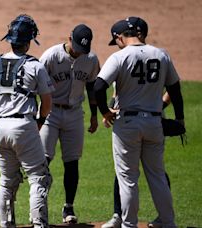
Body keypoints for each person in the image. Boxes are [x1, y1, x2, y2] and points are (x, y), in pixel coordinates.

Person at [94, 18, 184, 227]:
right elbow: (175, 90)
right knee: (157, 176)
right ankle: (169, 223)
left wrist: (106, 112)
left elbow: (99, 86)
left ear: (119, 37)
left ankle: (128, 224)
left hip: (128, 125)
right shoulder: (161, 54)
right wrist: (180, 119)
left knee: (127, 179)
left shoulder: (119, 57)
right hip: (154, 123)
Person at [0, 14, 54, 228]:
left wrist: (1, 114)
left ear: (9, 40)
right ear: (29, 42)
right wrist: (40, 120)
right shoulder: (35, 66)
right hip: (25, 127)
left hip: (1, 128)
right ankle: (39, 225)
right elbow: (47, 102)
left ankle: (6, 224)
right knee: (39, 177)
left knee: (7, 180)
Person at [38, 23, 100, 224]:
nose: (80, 53)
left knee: (72, 162)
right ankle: (38, 206)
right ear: (69, 38)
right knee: (43, 161)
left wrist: (93, 114)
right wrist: (38, 116)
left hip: (74, 114)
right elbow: (34, 84)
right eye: (77, 48)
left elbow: (91, 86)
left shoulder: (90, 59)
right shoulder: (50, 56)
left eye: (84, 50)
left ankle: (69, 207)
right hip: (51, 112)